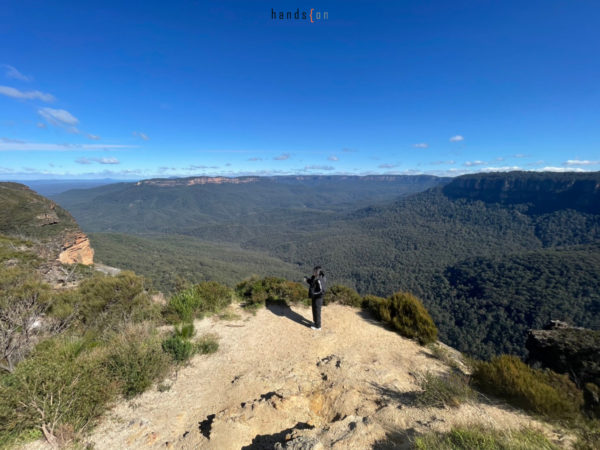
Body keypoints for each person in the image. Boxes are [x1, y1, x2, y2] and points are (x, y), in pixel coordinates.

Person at [304, 266, 326, 330]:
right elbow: (312, 283)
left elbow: (322, 291)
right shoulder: (314, 277)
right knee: (314, 310)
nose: (314, 272)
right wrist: (307, 280)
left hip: (318, 298)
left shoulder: (320, 279)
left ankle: (318, 327)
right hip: (314, 297)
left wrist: (313, 294)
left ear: (318, 272)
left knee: (317, 311)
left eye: (315, 271)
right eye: (314, 271)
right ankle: (315, 322)